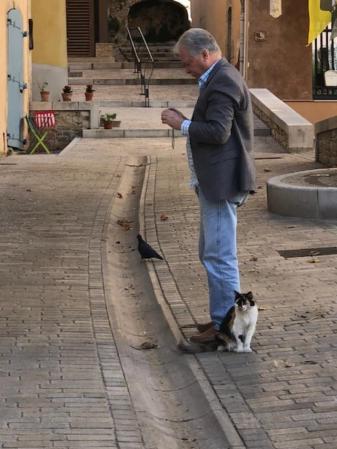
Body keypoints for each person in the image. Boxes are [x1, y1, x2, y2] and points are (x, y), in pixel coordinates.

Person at [161, 28, 255, 344]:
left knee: (219, 256)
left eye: (187, 62)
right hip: (216, 181)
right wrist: (186, 120)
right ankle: (222, 319)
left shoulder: (224, 80)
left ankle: (223, 329)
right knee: (211, 253)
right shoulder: (220, 78)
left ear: (204, 54)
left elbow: (217, 132)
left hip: (221, 182)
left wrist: (182, 124)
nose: (185, 68)